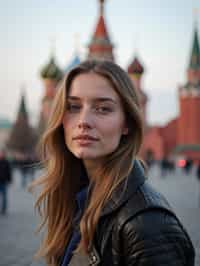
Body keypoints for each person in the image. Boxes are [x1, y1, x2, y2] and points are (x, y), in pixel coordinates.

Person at [31, 60, 195, 266]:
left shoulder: (147, 226)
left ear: (126, 123)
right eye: (73, 107)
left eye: (102, 109)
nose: (83, 121)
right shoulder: (75, 197)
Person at [0, 150, 12, 215]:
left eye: (2, 154)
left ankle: (3, 209)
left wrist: (10, 180)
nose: (1, 155)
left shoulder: (6, 162)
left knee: (4, 196)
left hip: (4, 181)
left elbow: (9, 171)